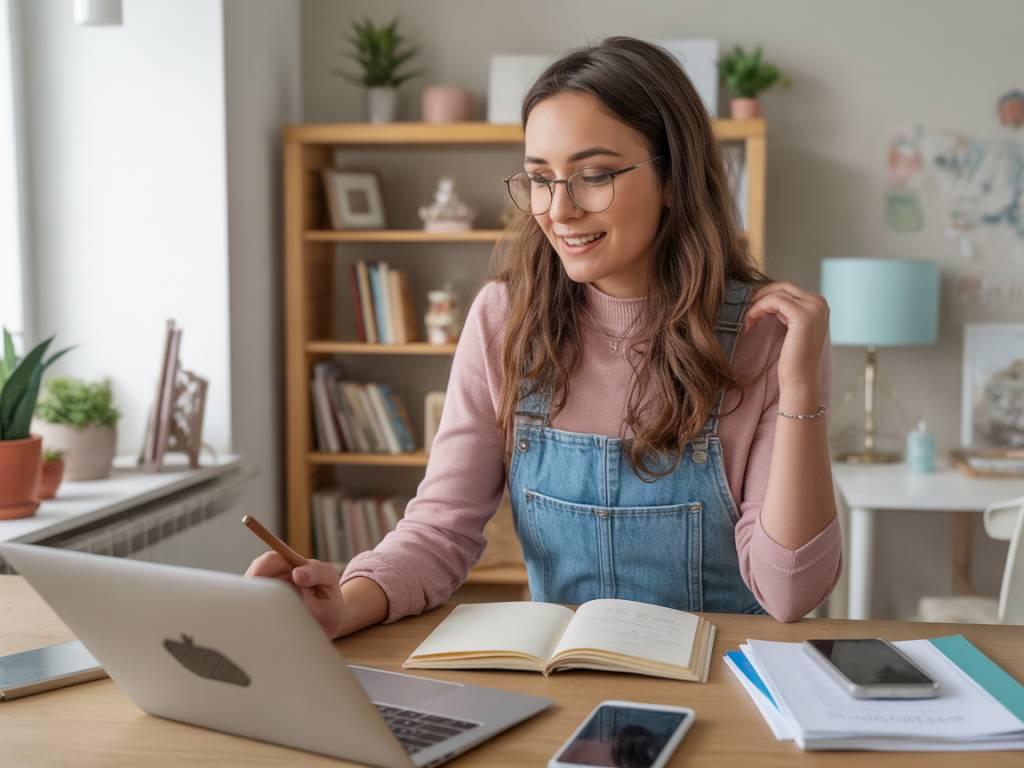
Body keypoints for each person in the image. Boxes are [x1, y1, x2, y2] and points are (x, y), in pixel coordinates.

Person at [246, 36, 841, 636]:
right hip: (565, 679)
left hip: (723, 680)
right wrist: (346, 603)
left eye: (594, 175)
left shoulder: (770, 335)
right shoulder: (504, 319)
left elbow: (790, 592)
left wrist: (800, 387)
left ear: (673, 178)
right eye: (540, 178)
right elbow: (439, 529)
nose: (559, 210)